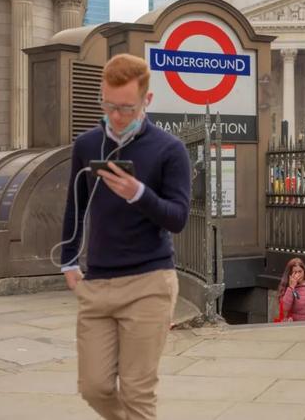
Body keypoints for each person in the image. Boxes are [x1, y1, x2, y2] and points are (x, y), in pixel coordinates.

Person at [61, 54, 191, 419]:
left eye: (125, 108)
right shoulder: (87, 145)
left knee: (137, 392)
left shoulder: (170, 150)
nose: (115, 116)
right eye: (108, 104)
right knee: (94, 387)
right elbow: (75, 205)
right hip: (97, 283)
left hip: (149, 282)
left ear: (146, 101)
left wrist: (138, 193)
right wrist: (68, 260)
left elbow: (179, 218)